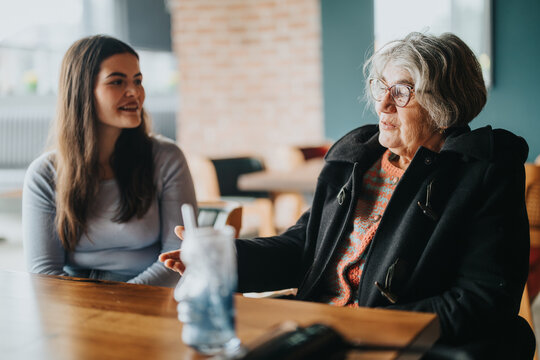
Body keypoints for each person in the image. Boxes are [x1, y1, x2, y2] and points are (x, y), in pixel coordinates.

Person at [160, 32, 535, 358]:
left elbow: (481, 301)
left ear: (444, 105)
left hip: (397, 343)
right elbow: (306, 248)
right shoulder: (357, 159)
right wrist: (222, 259)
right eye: (381, 87)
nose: (383, 105)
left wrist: (362, 323)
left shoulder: (484, 172)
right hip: (319, 327)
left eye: (401, 93)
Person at [23, 35, 197, 287]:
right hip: (73, 302)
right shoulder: (44, 174)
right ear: (82, 92)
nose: (134, 92)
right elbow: (44, 272)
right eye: (117, 82)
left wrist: (119, 303)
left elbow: (176, 256)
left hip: (151, 299)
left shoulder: (167, 159)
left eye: (138, 81)